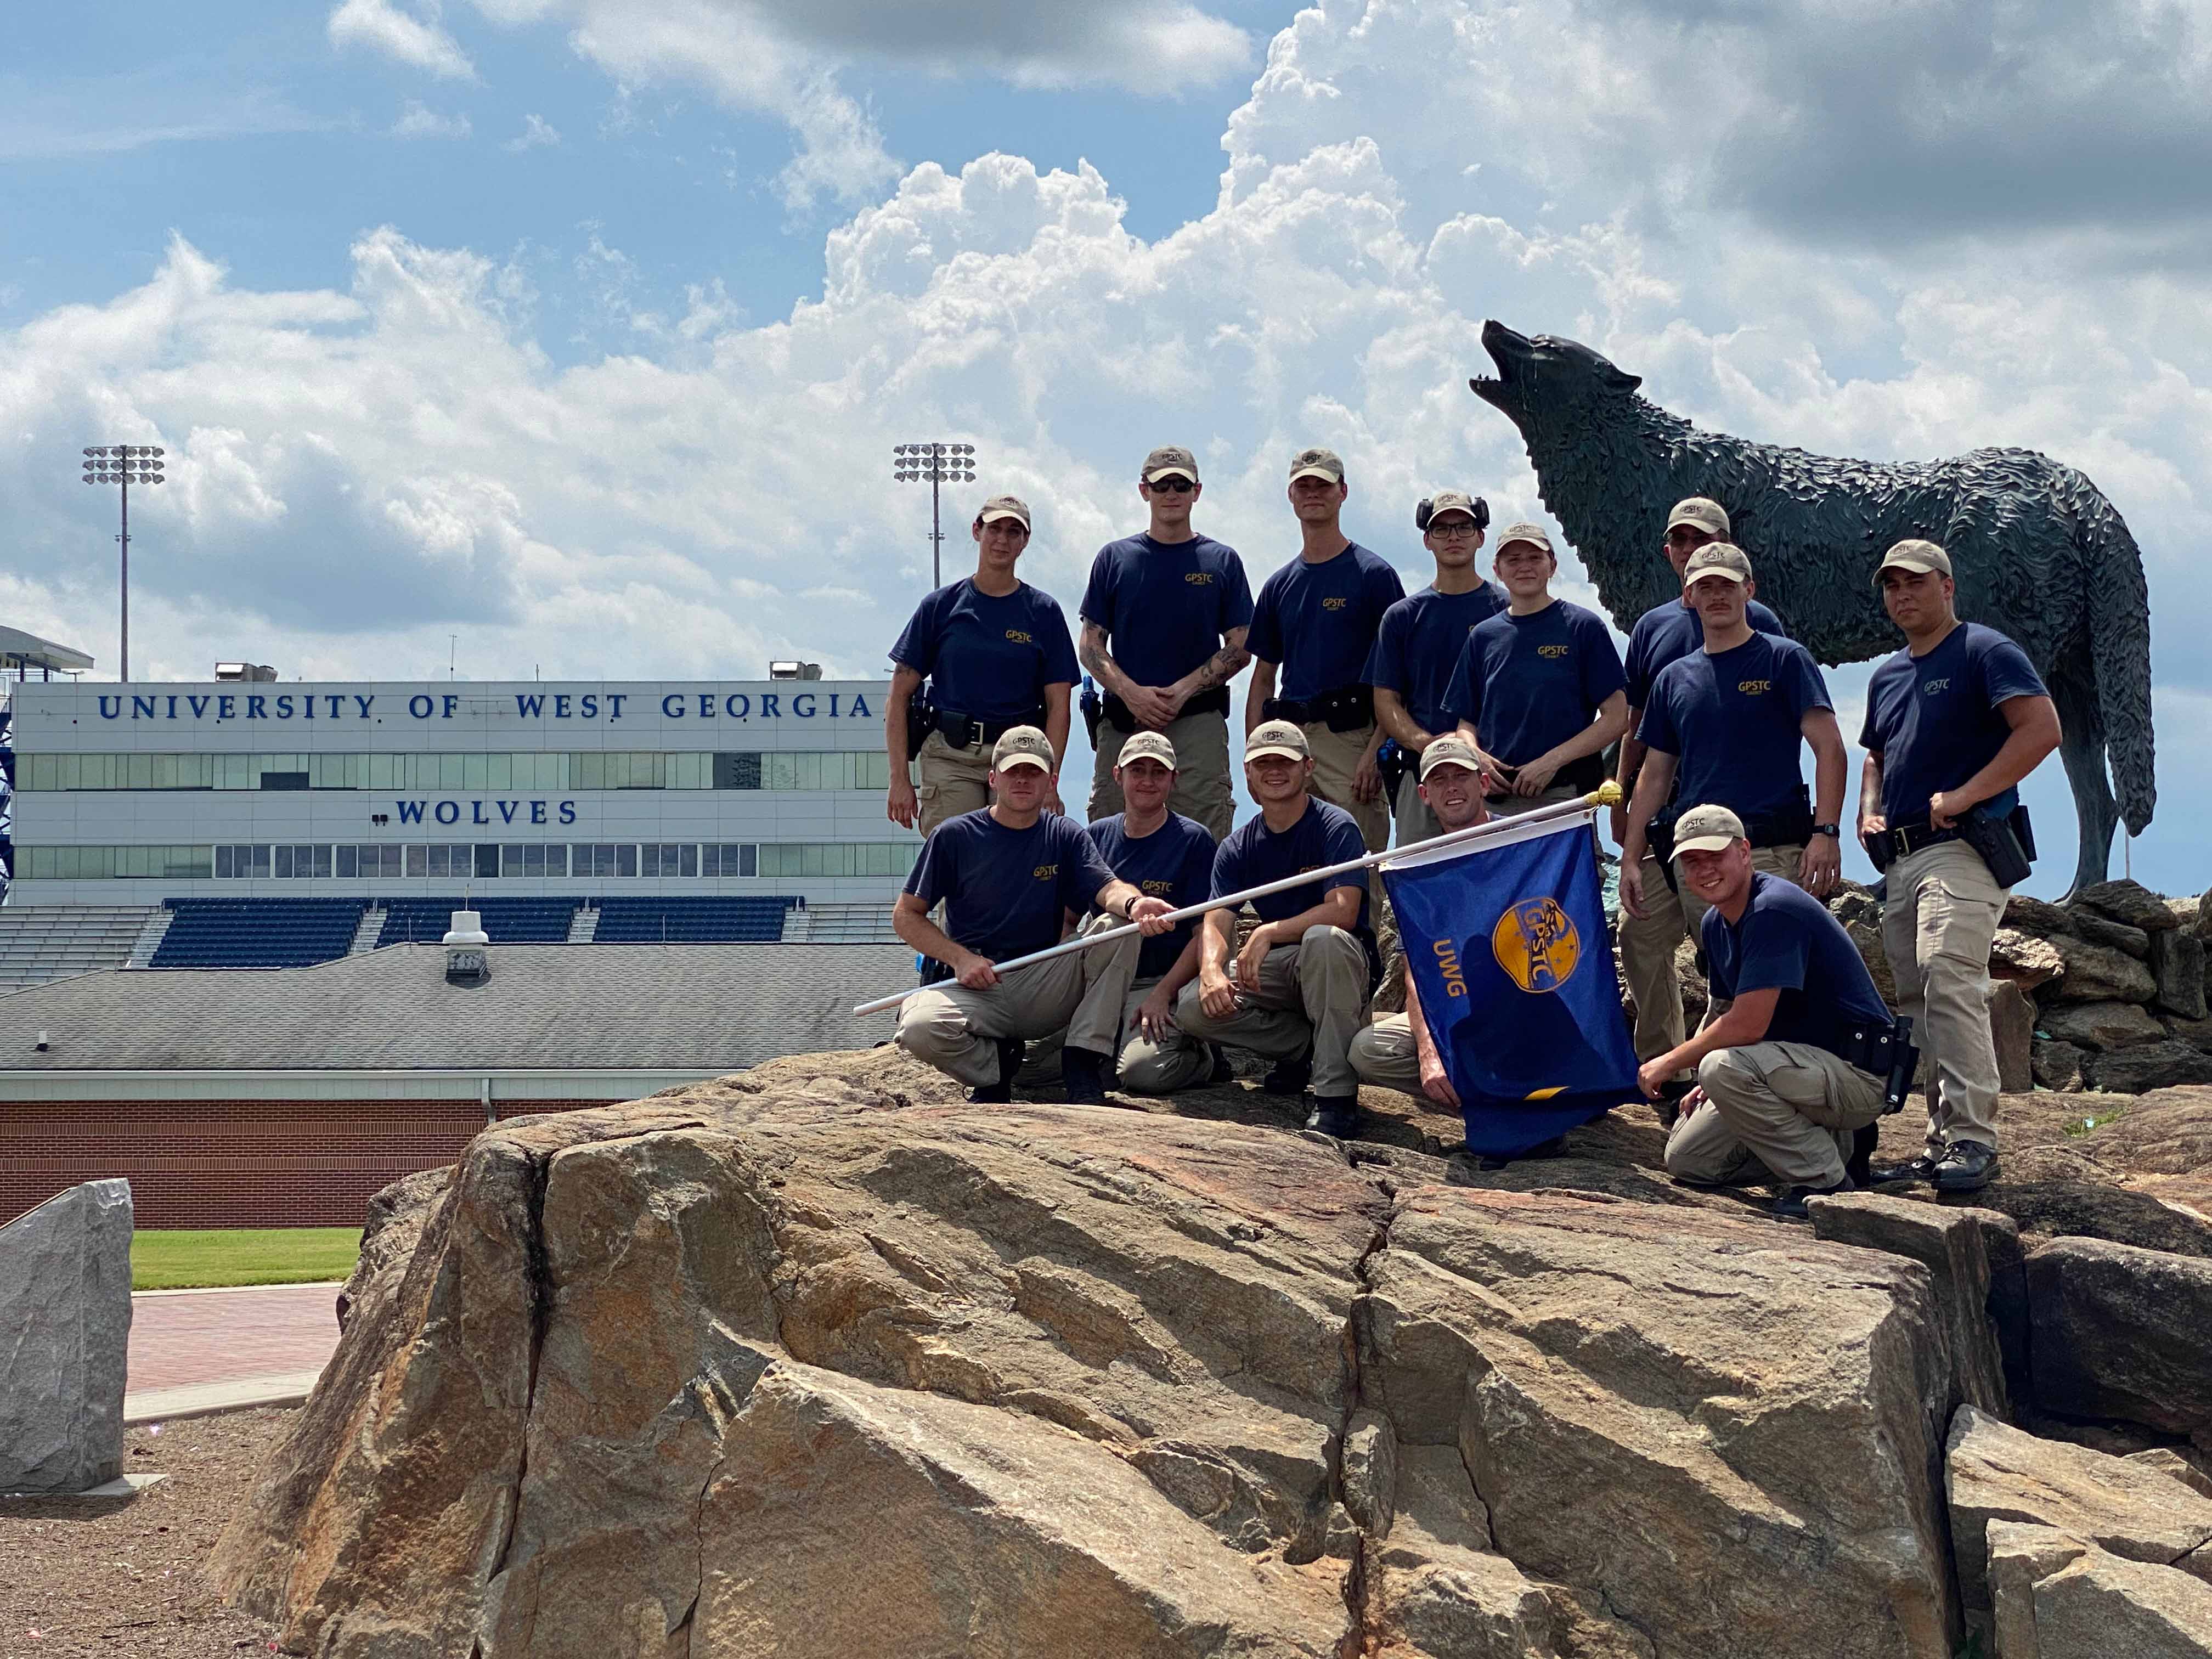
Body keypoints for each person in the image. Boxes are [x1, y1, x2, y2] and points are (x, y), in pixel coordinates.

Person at [1859, 540, 2060, 1193]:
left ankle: (1975, 1138)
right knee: (1918, 1000)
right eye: (1891, 586)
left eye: (1915, 583)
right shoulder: (1887, 674)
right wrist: (1868, 811)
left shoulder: (1985, 650)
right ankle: (1941, 1141)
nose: (1902, 595)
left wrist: (1969, 793)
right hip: (1902, 857)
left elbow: (2041, 729)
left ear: (1947, 587)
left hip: (1965, 846)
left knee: (1949, 975)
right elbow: (1875, 756)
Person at [1618, 543, 1846, 1111]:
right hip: (1694, 853)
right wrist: (1629, 854)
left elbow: (1830, 748)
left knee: (1756, 981)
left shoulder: (1784, 659)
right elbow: (1654, 774)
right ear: (1688, 595)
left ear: (1750, 589)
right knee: (1681, 958)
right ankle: (1685, 1088)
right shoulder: (1674, 678)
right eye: (1705, 586)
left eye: (1728, 584)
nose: (1717, 596)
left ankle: (1760, 1100)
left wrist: (1827, 832)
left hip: (1769, 847)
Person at [1640, 805, 1900, 1219]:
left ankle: (1825, 1179)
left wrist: (1673, 1063)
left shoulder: (1773, 908)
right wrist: (1718, 1083)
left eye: (1715, 856)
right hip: (1790, 1071)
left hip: (1857, 1076)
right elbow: (1727, 1010)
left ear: (1744, 852)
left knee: (1723, 1067)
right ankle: (1836, 1146)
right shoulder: (1714, 922)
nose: (1705, 870)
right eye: (1692, 861)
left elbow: (1746, 1024)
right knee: (1690, 1160)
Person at [894, 726, 1175, 1104]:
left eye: (1033, 772)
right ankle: (994, 1072)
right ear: (993, 778)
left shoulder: (1065, 835)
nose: (1023, 780)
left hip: (1045, 981)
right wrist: (960, 959)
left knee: (1120, 928)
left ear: (1052, 781)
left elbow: (1108, 888)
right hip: (976, 985)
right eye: (1013, 771)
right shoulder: (954, 836)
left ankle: (1082, 1061)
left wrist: (1135, 904)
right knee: (917, 1028)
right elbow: (906, 916)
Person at [1613, 498, 1791, 1071]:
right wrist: (1623, 800)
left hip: (1736, 822)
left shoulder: (1760, 626)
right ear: (1671, 556)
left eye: (1706, 539)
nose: (1692, 550)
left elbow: (1790, 728)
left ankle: (1721, 1073)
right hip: (1666, 817)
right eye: (1682, 541)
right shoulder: (1651, 628)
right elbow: (1637, 727)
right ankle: (1660, 1067)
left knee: (1727, 953)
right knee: (1638, 939)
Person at [1174, 720, 1377, 1137]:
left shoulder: (1336, 826)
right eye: (1262, 762)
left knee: (1324, 940)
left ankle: (1336, 1097)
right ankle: (1304, 1049)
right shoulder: (1238, 846)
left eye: (1284, 761)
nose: (1273, 770)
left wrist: (1266, 933)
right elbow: (1217, 918)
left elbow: (1344, 913)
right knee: (1194, 1005)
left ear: (1308, 766)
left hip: (1339, 962)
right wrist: (1212, 970)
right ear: (1247, 772)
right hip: (1286, 971)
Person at [1078, 445, 1252, 841]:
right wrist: (1132, 694)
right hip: (1125, 723)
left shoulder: (1222, 561)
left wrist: (1183, 691)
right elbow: (1090, 646)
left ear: (1197, 491)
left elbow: (1241, 645)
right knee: (1109, 837)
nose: (1171, 493)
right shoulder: (1114, 558)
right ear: (1144, 491)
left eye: (1181, 484)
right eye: (1161, 485)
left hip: (1197, 724)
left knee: (1207, 839)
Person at [886, 495, 1079, 838]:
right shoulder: (940, 607)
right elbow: (899, 696)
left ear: (1025, 541)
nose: (1002, 539)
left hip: (1020, 757)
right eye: (995, 529)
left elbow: (1059, 706)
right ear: (977, 531)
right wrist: (899, 778)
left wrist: (1051, 780)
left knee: (1016, 861)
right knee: (953, 861)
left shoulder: (1043, 612)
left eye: (1013, 532)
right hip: (951, 756)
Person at [1245, 448, 1406, 853]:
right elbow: (1263, 677)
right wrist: (1255, 752)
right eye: (1304, 485)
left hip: (1352, 738)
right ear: (1291, 495)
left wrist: (1376, 750)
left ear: (1343, 492)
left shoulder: (1375, 575)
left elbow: (1399, 674)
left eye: (1323, 485)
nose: (1313, 493)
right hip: (1290, 737)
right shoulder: (1279, 585)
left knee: (1358, 858)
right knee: (1292, 861)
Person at [1442, 522, 1629, 817]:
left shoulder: (1583, 628)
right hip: (1494, 801)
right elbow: (1466, 723)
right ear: (1498, 570)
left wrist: (1552, 762)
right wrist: (1477, 757)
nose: (1524, 567)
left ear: (1552, 565)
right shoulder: (1482, 636)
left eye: (1534, 558)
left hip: (1564, 796)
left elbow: (1618, 718)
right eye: (1513, 560)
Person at [1348, 735, 1489, 1102]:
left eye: (1462, 776)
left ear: (1484, 783)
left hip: (1524, 1001)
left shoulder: (1525, 842)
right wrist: (1428, 1051)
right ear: (1424, 795)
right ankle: (1482, 1095)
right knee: (1368, 1050)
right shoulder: (1419, 871)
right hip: (1456, 1008)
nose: (1452, 788)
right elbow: (1416, 970)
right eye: (1440, 781)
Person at [1365, 491, 1506, 845]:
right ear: (1427, 541)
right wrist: (1427, 745)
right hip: (1424, 777)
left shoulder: (1509, 610)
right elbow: (1385, 700)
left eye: (1463, 526)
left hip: (1499, 775)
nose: (1454, 537)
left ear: (1480, 536)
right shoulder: (1403, 617)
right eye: (1441, 529)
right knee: (1418, 877)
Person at [1087, 731, 1223, 1094]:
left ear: (1173, 780)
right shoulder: (1096, 837)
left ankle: (1201, 1054)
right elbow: (1071, 921)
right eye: (1138, 771)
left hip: (1159, 982)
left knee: (1141, 1073)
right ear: (1118, 776)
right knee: (1029, 1065)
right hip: (1101, 985)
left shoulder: (1194, 841)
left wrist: (1163, 993)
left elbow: (1203, 934)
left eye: (1158, 772)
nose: (1147, 781)